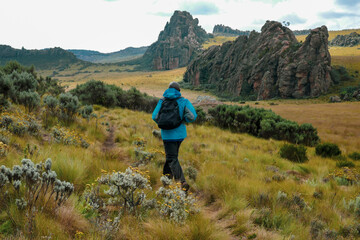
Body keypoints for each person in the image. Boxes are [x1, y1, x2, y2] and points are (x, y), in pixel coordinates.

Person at [152, 82, 197, 192]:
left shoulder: (162, 101)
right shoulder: (183, 101)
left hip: (167, 135)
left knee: (171, 158)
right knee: (171, 157)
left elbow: (154, 116)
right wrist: (182, 120)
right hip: (180, 135)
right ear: (178, 90)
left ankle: (182, 182)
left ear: (168, 89)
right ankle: (166, 183)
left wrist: (164, 122)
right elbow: (193, 116)